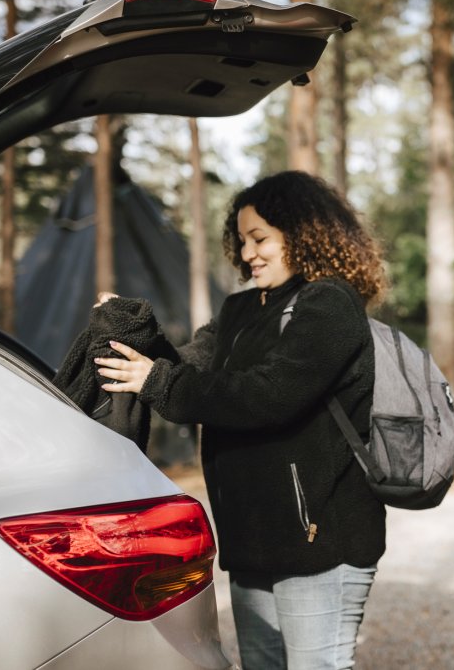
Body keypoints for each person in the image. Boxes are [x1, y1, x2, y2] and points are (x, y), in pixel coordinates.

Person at [93, 170, 387, 670]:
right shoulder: (240, 309)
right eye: (242, 240)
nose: (248, 253)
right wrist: (134, 329)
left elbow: (271, 394)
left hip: (320, 543)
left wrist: (158, 381)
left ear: (302, 233)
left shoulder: (329, 303)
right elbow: (187, 366)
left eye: (261, 238)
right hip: (252, 540)